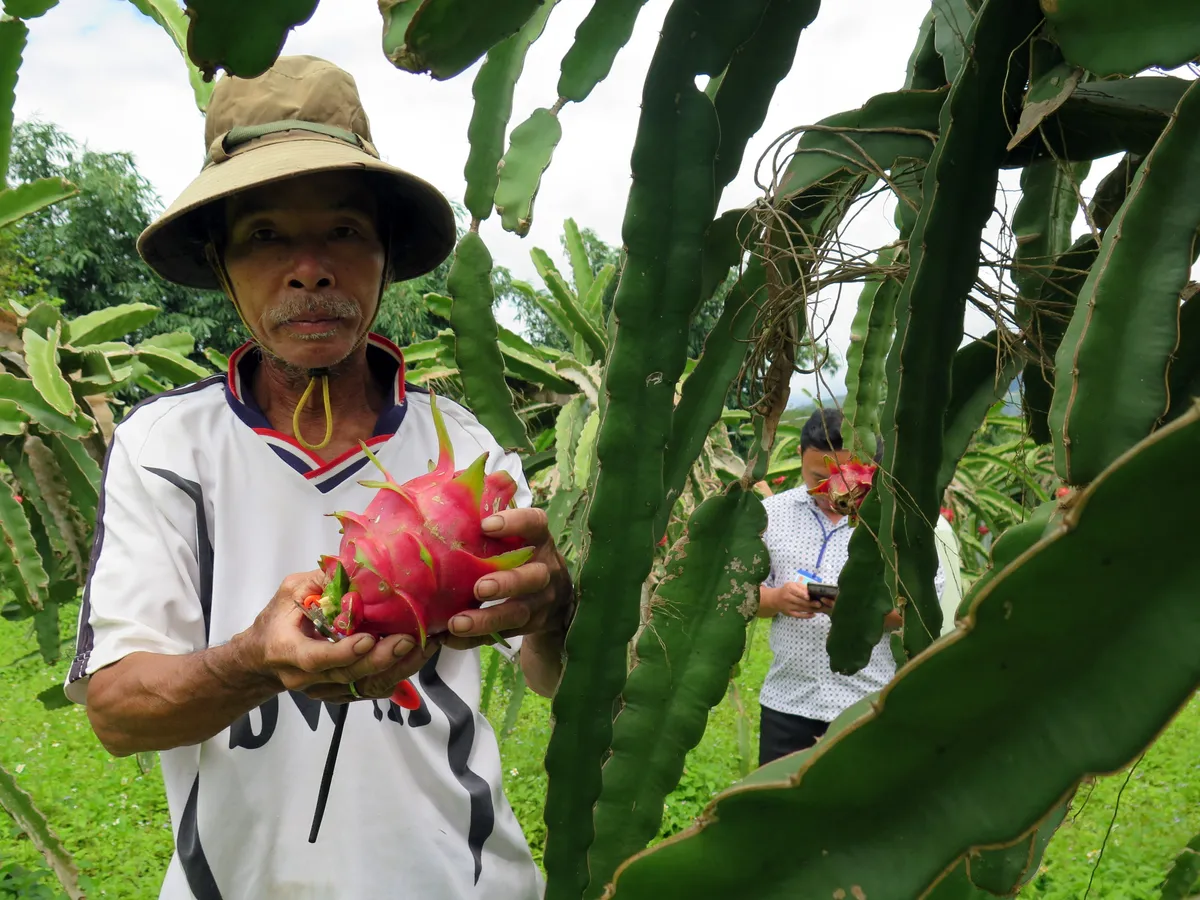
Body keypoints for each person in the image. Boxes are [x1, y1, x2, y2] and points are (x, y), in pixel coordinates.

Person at [63, 56, 573, 900]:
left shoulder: (464, 447)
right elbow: (119, 713)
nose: (310, 269)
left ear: (382, 256)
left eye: (343, 230)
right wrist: (253, 663)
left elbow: (548, 674)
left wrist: (555, 605)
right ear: (222, 265)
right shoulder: (166, 447)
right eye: (265, 237)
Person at [755, 407, 944, 766]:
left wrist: (858, 609)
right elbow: (744, 595)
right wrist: (778, 599)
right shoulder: (772, 515)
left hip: (866, 705)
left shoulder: (898, 526)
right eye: (816, 476)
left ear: (869, 467)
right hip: (787, 703)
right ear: (799, 454)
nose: (830, 491)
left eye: (843, 478)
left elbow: (922, 605)